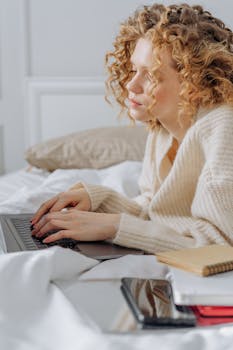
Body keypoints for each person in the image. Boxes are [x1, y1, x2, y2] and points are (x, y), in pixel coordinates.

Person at [30, 3, 233, 253]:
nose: (131, 85)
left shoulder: (223, 127)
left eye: (150, 75)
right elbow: (155, 211)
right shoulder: (162, 126)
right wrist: (98, 200)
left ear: (193, 79)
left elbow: (222, 247)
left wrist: (114, 227)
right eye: (134, 70)